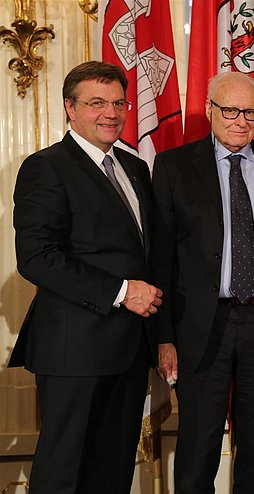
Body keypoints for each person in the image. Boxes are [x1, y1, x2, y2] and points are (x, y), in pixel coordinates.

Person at [9, 61, 162, 493]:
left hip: (130, 349)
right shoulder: (46, 167)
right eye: (96, 103)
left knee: (112, 471)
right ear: (70, 109)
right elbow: (37, 257)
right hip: (73, 349)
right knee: (64, 473)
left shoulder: (134, 167)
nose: (110, 113)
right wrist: (121, 291)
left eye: (118, 103)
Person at [151, 72, 254, 493]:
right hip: (200, 324)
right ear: (210, 111)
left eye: (250, 112)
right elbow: (160, 258)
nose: (240, 121)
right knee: (198, 448)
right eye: (230, 110)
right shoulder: (175, 165)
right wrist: (163, 338)